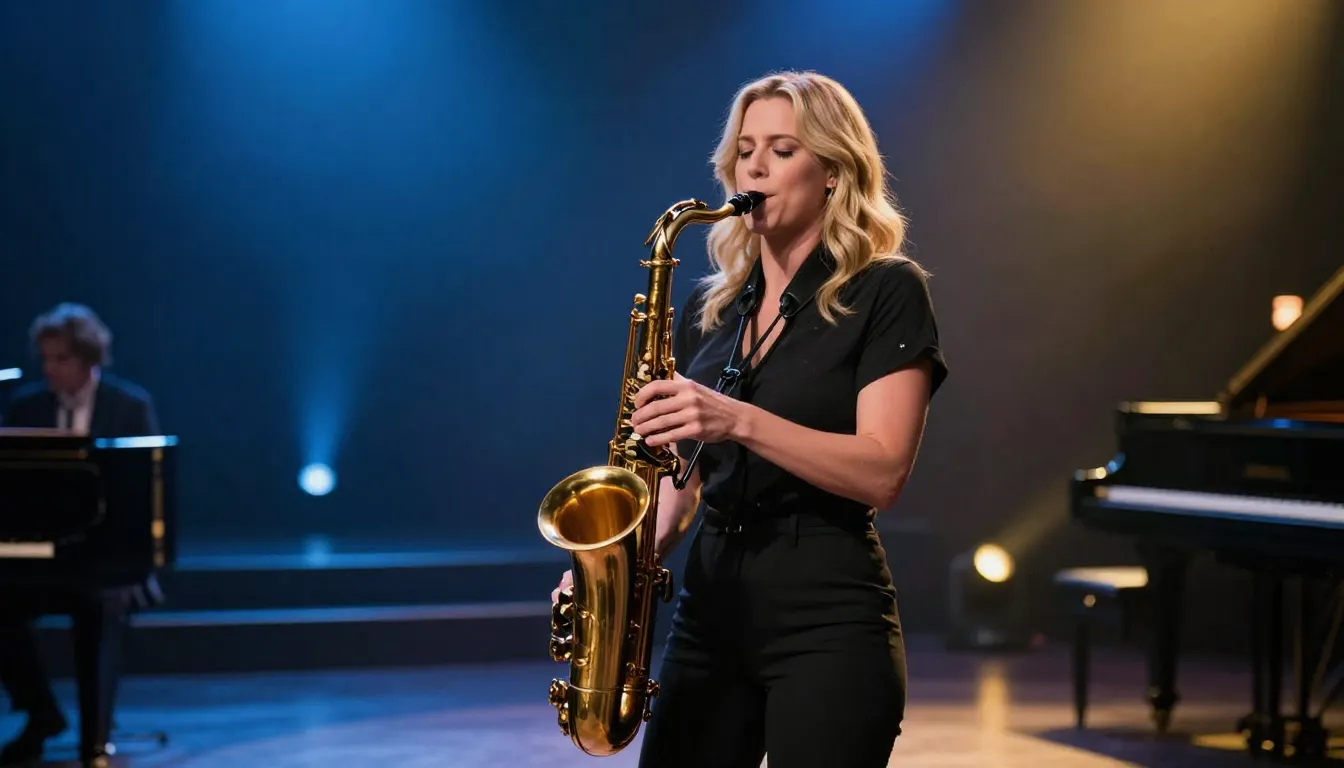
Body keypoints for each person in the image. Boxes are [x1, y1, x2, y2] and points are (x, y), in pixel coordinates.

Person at [551, 71, 948, 767]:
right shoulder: (711, 310)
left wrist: (736, 419)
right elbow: (680, 481)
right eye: (744, 150)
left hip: (827, 615)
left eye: (782, 150)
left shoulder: (888, 290)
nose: (754, 167)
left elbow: (883, 471)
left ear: (834, 171)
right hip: (710, 610)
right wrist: (610, 570)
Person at [0, 302, 160, 767]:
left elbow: (146, 490)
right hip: (39, 561)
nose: (50, 369)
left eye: (61, 358)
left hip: (108, 564)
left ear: (89, 358)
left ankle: (96, 737)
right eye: (45, 359)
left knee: (100, 605)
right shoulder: (27, 406)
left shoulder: (129, 406)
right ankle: (42, 715)